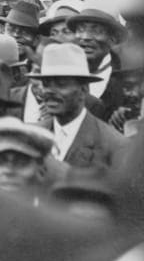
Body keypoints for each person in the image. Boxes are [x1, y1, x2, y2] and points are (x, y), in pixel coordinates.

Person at [28, 42, 127, 170]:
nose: (49, 91)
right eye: (46, 84)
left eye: (61, 84)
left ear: (84, 90)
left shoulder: (113, 145)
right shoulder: (31, 136)